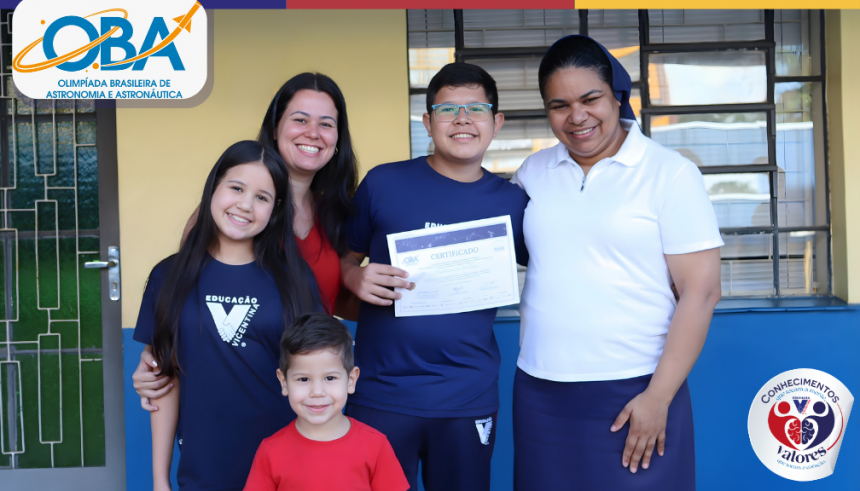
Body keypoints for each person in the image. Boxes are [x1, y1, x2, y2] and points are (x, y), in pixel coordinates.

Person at [511, 35, 723, 490]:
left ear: (617, 96)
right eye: (559, 105)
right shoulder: (534, 172)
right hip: (540, 391)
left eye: (590, 99)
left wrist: (658, 397)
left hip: (636, 390)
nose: (577, 116)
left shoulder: (669, 173)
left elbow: (701, 293)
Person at [340, 63, 529, 491]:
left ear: (496, 122)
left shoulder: (514, 203)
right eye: (447, 110)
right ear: (427, 122)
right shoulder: (383, 183)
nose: (462, 119)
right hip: (381, 392)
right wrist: (354, 276)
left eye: (476, 108)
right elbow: (342, 259)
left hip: (467, 397)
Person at [133, 73, 359, 411]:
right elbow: (186, 300)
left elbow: (335, 300)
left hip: (309, 392)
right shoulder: (231, 214)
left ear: (338, 139)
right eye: (300, 120)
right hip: (234, 392)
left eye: (326, 124)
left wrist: (357, 276)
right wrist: (153, 358)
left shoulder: (337, 213)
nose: (313, 133)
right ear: (275, 128)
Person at [135, 141, 320, 491]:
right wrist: (160, 480)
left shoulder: (296, 279)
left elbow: (316, 376)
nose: (245, 205)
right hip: (204, 464)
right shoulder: (168, 276)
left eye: (262, 197)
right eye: (236, 188)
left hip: (288, 464)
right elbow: (163, 382)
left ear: (275, 209)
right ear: (213, 188)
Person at [243, 312, 409, 491]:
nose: (317, 392)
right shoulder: (270, 451)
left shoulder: (375, 445)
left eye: (330, 378)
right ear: (284, 382)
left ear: (351, 380)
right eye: (303, 379)